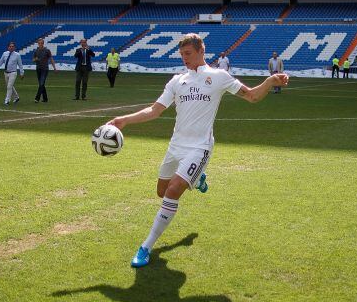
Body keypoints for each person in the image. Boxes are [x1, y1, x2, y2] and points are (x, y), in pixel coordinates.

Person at [106, 33, 289, 268]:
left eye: (188, 54)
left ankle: (145, 247)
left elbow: (252, 96)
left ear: (202, 52)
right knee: (161, 192)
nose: (184, 58)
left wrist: (269, 82)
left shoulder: (219, 77)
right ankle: (198, 177)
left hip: (200, 147)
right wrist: (123, 120)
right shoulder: (176, 81)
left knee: (172, 191)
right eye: (182, 54)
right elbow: (154, 110)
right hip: (176, 146)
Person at [33, 38, 57, 103]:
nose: (40, 44)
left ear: (43, 43)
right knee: (42, 84)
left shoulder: (47, 50)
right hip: (38, 68)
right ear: (38, 43)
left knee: (41, 83)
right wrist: (35, 59)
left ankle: (37, 98)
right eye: (39, 43)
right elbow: (33, 59)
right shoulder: (36, 51)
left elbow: (51, 59)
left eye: (41, 43)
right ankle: (45, 98)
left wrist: (54, 67)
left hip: (45, 69)